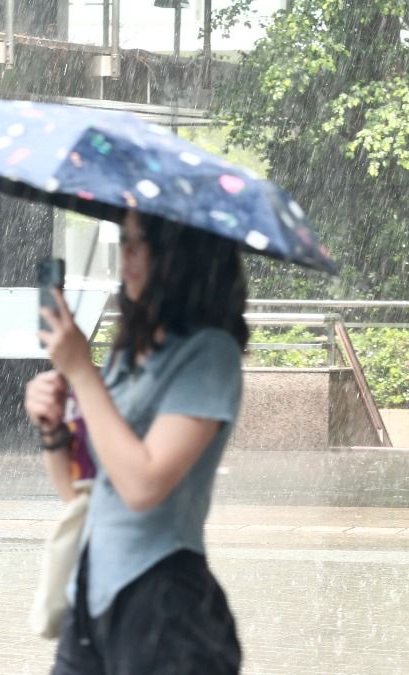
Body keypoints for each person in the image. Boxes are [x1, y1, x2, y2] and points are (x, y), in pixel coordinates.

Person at [25, 210, 246, 674]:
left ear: (181, 255)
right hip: (90, 598)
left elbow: (144, 486)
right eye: (123, 241)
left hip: (164, 605)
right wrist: (52, 428)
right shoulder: (127, 353)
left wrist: (82, 373)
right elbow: (82, 491)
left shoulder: (209, 354)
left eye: (141, 244)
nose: (126, 256)